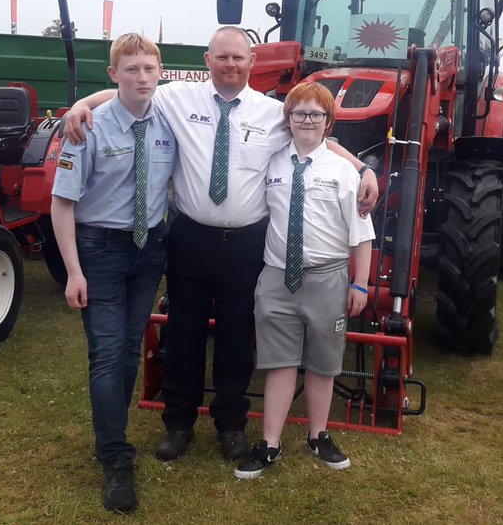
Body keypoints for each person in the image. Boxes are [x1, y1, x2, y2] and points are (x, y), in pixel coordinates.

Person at [63, 26, 378, 464]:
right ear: (207, 61)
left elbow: (320, 140)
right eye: (222, 57)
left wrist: (364, 169)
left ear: (252, 62)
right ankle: (178, 423)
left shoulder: (272, 112)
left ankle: (231, 424)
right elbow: (122, 92)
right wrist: (81, 105)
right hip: (189, 236)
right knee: (185, 331)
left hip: (246, 243)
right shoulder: (177, 98)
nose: (231, 65)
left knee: (236, 334)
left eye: (239, 58)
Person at [50, 33, 176, 514]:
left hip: (149, 250)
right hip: (99, 249)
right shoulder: (88, 128)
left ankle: (111, 432)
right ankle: (116, 457)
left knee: (128, 349)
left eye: (149, 69)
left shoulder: (168, 118)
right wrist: (72, 272)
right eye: (131, 70)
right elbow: (62, 204)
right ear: (114, 74)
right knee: (106, 353)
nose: (141, 77)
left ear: (160, 72)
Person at [234, 81, 373, 480]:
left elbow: (361, 235)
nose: (307, 121)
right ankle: (270, 443)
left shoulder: (345, 172)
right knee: (278, 362)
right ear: (288, 119)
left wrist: (360, 284)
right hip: (277, 277)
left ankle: (318, 435)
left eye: (316, 114)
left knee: (323, 363)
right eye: (299, 114)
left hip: (327, 278)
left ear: (329, 122)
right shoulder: (272, 162)